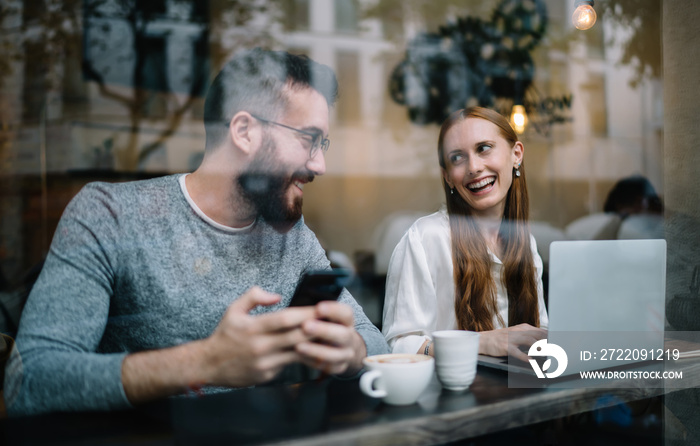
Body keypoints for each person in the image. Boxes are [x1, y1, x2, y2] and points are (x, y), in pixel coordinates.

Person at [4, 48, 389, 417]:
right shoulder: (110, 215)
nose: (320, 164)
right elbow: (30, 382)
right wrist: (206, 362)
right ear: (244, 131)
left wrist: (349, 351)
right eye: (308, 139)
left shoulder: (293, 237)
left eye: (322, 143)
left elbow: (376, 344)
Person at [382, 107, 548, 361]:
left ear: (516, 155)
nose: (473, 167)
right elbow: (398, 347)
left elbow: (539, 333)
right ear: (447, 176)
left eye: (483, 148)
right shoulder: (426, 238)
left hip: (519, 391)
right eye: (457, 158)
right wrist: (479, 343)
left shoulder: (527, 244)